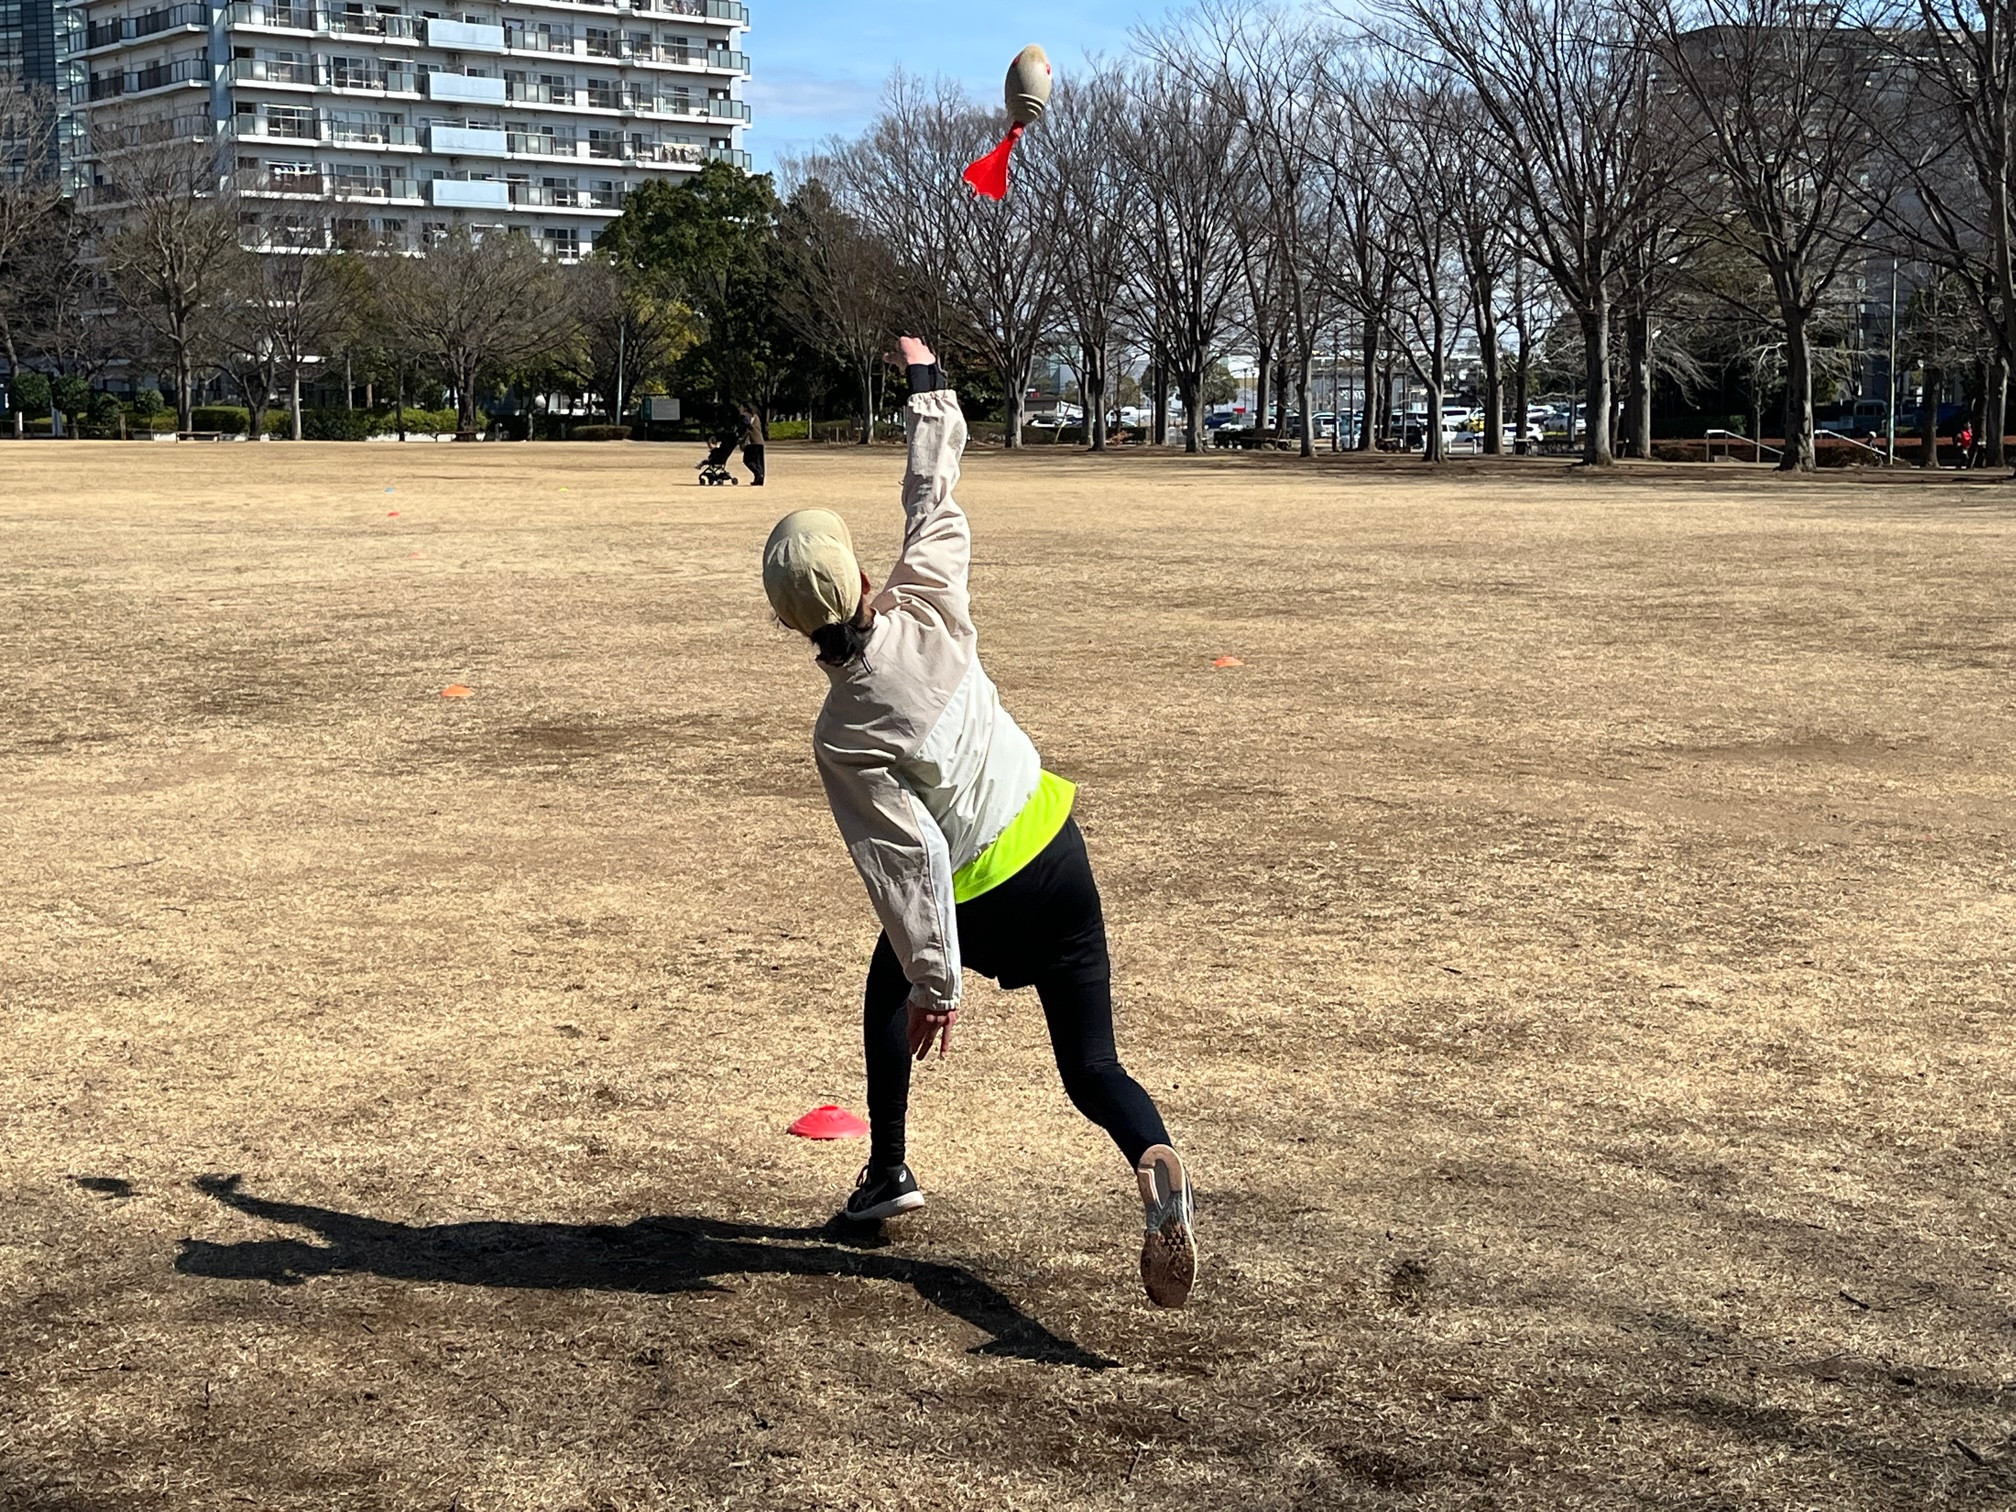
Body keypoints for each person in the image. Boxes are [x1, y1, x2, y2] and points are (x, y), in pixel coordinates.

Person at [760, 336, 1196, 1309]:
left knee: (888, 979)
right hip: (1057, 851)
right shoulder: (931, 604)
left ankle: (888, 1168)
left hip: (981, 897)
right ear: (863, 580)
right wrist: (926, 387)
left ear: (790, 625)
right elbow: (933, 500)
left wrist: (937, 982)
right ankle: (1150, 1153)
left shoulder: (842, 732)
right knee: (1092, 1067)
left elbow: (906, 860)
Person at [737, 405, 766, 486]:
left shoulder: (745, 415)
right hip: (760, 441)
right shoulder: (756, 416)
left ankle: (758, 473)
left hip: (752, 441)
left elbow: (746, 425)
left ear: (744, 408)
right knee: (759, 462)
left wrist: (740, 437)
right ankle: (759, 479)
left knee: (747, 460)